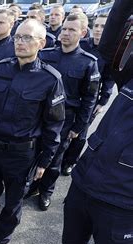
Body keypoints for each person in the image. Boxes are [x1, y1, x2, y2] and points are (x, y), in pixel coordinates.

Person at [43, 1, 132, 244]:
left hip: (124, 202)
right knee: (73, 243)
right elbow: (109, 49)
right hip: (85, 182)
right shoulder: (130, 79)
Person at [0, 19, 65, 244]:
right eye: (18, 37)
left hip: (22, 154)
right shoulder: (0, 68)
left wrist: (44, 161)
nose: (20, 42)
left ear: (41, 43)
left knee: (13, 203)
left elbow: (53, 125)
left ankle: (2, 238)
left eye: (27, 38)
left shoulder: (50, 79)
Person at [27, 13, 100, 211]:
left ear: (83, 33)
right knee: (35, 153)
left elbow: (89, 99)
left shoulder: (88, 62)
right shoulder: (46, 54)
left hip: (65, 119)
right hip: (40, 116)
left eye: (72, 30)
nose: (66, 33)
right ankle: (33, 185)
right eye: (65, 29)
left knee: (54, 160)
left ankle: (46, 192)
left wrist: (78, 126)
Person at [61, 14, 115, 176]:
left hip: (90, 99)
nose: (99, 30)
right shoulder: (83, 44)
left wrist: (103, 100)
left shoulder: (109, 51)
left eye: (103, 27)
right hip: (73, 95)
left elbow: (109, 78)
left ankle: (69, 162)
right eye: (97, 26)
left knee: (79, 133)